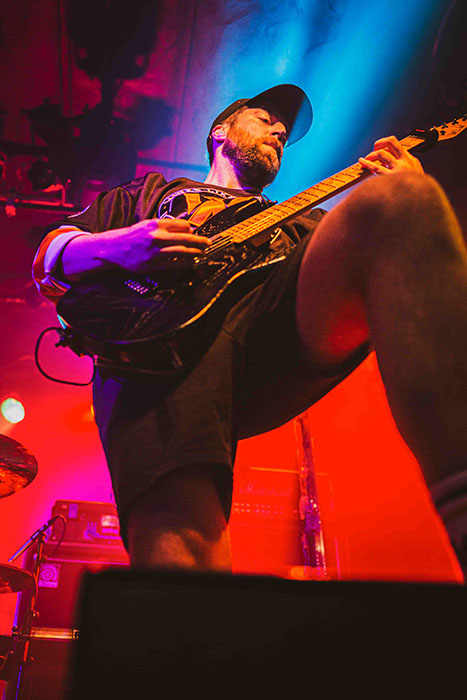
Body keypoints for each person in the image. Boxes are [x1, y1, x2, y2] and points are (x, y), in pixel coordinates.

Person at [33, 84, 467, 573]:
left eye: (285, 131)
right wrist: (123, 245)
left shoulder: (296, 220)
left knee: (400, 199)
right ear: (220, 131)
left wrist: (403, 199)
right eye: (266, 118)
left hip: (264, 329)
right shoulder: (150, 194)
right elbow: (48, 258)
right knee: (182, 546)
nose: (280, 131)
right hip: (154, 337)